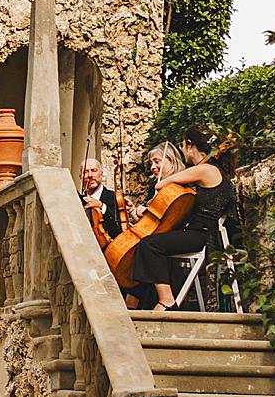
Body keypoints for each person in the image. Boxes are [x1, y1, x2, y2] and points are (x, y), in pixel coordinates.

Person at [131, 130, 235, 309]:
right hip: (202, 233)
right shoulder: (210, 170)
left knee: (149, 245)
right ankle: (134, 302)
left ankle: (166, 300)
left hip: (203, 235)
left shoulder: (204, 169)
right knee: (151, 245)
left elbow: (161, 184)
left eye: (182, 145)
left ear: (190, 145)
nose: (182, 150)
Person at [79, 157, 121, 238]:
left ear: (101, 174)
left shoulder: (114, 197)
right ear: (81, 177)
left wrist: (101, 206)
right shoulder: (77, 201)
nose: (90, 175)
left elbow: (118, 230)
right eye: (85, 172)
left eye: (94, 171)